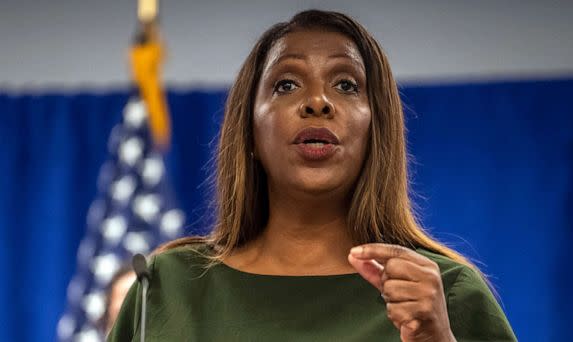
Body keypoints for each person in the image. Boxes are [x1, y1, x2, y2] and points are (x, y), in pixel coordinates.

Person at [109, 9, 516, 341]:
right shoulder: (164, 289)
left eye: (346, 84)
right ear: (248, 130)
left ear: (378, 129)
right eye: (286, 85)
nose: (318, 102)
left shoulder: (444, 293)